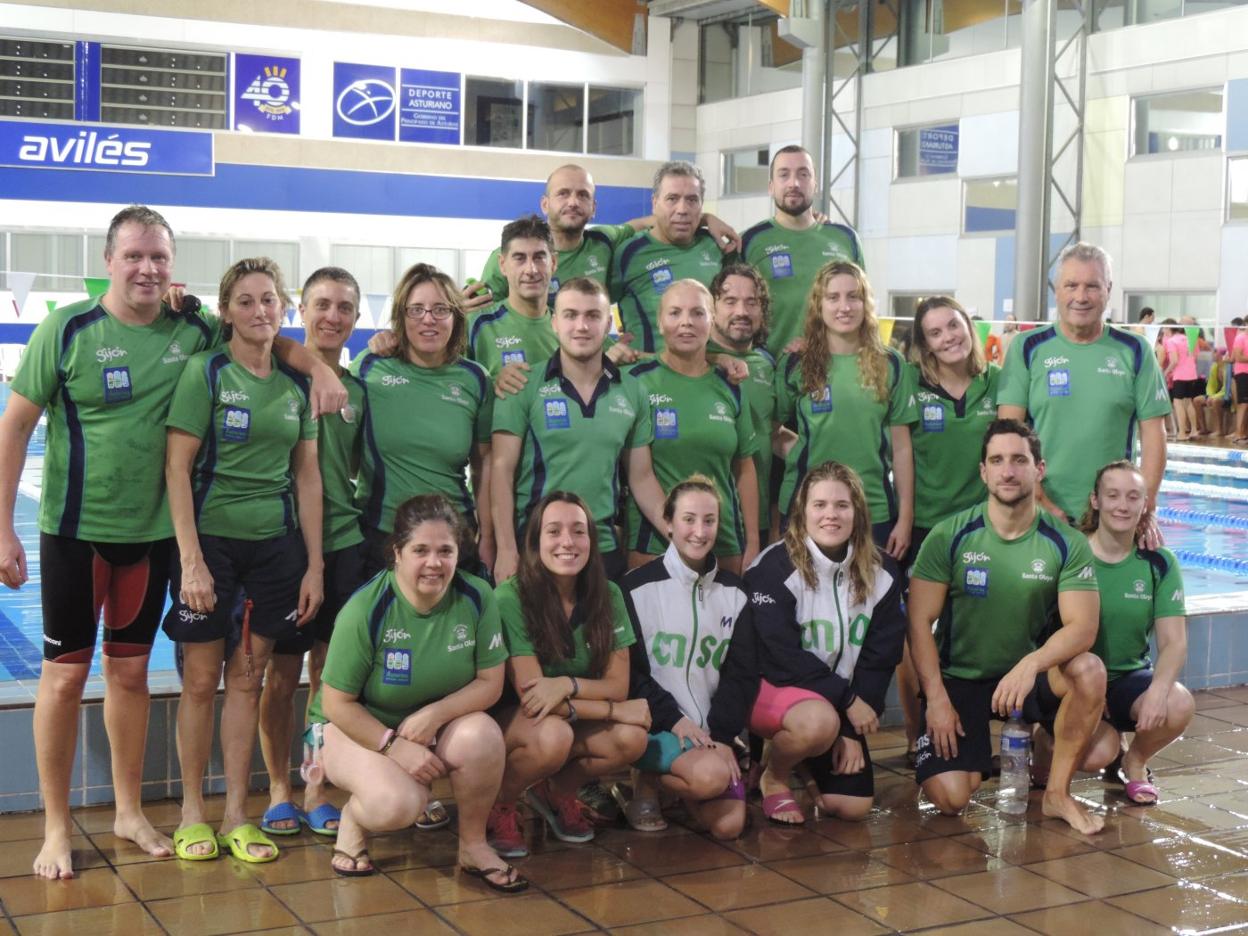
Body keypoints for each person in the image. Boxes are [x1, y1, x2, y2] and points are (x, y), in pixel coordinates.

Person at [0, 205, 344, 880]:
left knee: (129, 672)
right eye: (133, 256)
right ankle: (55, 826)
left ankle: (128, 810)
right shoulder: (67, 330)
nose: (147, 268)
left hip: (154, 536)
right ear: (108, 264)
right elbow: (14, 428)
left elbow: (266, 329)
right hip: (74, 533)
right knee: (65, 677)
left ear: (173, 265)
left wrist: (322, 370)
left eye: (158, 256)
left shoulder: (194, 327)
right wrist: (2, 527)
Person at [163, 257, 324, 863]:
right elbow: (176, 467)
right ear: (227, 311)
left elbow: (307, 480)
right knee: (203, 681)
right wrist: (192, 561)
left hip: (273, 551)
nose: (260, 311)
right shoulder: (207, 372)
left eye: (269, 301)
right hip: (211, 546)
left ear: (282, 308)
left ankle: (236, 814)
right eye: (247, 301)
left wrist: (314, 564)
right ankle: (190, 812)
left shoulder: (296, 385)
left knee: (248, 682)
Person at [307, 495, 521, 886]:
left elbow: (490, 684)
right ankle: (355, 818)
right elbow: (337, 704)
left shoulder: (476, 597)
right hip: (356, 729)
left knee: (484, 736)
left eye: (446, 551)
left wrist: (436, 714)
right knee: (399, 804)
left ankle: (473, 846)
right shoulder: (365, 610)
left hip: (431, 727)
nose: (434, 563)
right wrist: (394, 746)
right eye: (420, 550)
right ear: (397, 553)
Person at [907, 419, 1107, 835]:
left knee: (1089, 670)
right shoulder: (950, 536)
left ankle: (1056, 793)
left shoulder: (1065, 542)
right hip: (961, 678)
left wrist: (1030, 664)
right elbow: (919, 622)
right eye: (997, 461)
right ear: (983, 471)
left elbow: (1083, 629)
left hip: (1026, 680)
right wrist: (937, 698)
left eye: (1019, 460)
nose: (1008, 471)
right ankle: (983, 749)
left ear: (1039, 469)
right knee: (951, 797)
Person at [258, 267, 366, 839]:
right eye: (322, 304)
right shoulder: (270, 371)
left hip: (342, 542)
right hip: (281, 542)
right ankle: (278, 789)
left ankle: (317, 786)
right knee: (279, 675)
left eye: (345, 307)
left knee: (327, 677)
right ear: (301, 309)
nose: (332, 316)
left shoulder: (361, 390)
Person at [487, 492, 651, 857]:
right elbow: (534, 700)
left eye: (578, 531)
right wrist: (612, 711)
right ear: (535, 541)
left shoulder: (608, 594)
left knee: (633, 739)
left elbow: (617, 686)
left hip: (563, 714)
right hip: (513, 723)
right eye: (554, 531)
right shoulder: (509, 598)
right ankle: (500, 804)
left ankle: (556, 793)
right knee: (554, 735)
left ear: (592, 542)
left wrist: (566, 684)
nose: (567, 542)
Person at [743, 461, 906, 824]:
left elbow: (881, 657)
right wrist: (846, 702)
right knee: (817, 724)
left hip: (833, 706)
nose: (830, 515)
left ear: (858, 514)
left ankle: (804, 757)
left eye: (841, 506)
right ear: (802, 512)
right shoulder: (773, 568)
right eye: (819, 505)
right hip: (773, 688)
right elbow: (779, 657)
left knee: (851, 807)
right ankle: (776, 775)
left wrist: (849, 729)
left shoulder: (883, 572)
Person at [491, 277, 666, 584]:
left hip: (603, 548)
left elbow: (642, 477)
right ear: (555, 322)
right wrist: (506, 549)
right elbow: (501, 470)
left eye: (592, 316)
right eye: (571, 315)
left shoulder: (633, 391)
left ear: (608, 322)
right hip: (537, 546)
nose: (581, 326)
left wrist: (679, 532)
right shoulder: (522, 384)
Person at [1045, 460, 1193, 805]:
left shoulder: (1158, 562)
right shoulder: (1070, 553)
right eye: (1112, 496)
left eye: (1132, 497)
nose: (1122, 506)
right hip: (1073, 678)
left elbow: (1174, 642)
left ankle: (1135, 762)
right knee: (1098, 752)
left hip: (1127, 678)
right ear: (1095, 501)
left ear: (1145, 504)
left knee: (1178, 702)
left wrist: (1158, 690)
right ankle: (1044, 737)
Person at [998, 243, 1169, 538]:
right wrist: (1037, 498)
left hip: (1112, 514)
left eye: (1092, 286)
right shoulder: (1027, 348)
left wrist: (1144, 505)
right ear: (1057, 291)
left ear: (1108, 289)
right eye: (1071, 285)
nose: (1081, 296)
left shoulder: (1135, 350)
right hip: (1040, 511)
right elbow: (1007, 434)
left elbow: (1154, 433)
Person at [895, 296, 1001, 763]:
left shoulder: (996, 383)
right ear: (924, 343)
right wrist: (904, 519)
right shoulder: (912, 387)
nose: (948, 337)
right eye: (935, 332)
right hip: (925, 529)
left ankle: (982, 728)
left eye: (953, 325)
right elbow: (902, 461)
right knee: (914, 633)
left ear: (968, 325)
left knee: (979, 628)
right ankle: (917, 734)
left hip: (984, 530)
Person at [620, 476, 752, 839]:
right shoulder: (634, 589)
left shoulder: (735, 593)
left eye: (709, 521)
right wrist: (674, 719)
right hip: (661, 725)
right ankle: (646, 783)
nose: (699, 531)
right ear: (668, 523)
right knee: (710, 776)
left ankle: (680, 784)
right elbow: (629, 676)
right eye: (688, 519)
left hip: (711, 734)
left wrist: (723, 736)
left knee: (730, 827)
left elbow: (740, 675)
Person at [353, 264, 494, 575]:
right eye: (416, 309)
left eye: (440, 309)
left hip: (454, 539)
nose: (428, 319)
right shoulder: (370, 368)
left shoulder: (475, 379)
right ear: (400, 317)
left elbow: (485, 465)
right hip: (382, 537)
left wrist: (489, 537)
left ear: (456, 316)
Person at [774, 260, 917, 561]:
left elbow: (902, 448)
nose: (845, 306)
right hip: (806, 506)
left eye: (854, 296)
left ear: (866, 303)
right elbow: (770, 432)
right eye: (833, 297)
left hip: (872, 507)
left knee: (868, 605)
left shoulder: (891, 364)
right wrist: (803, 450)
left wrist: (905, 518)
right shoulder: (796, 363)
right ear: (818, 305)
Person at [468, 163, 739, 315]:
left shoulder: (604, 241)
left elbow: (652, 220)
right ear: (544, 203)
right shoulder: (511, 258)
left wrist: (704, 219)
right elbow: (479, 312)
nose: (573, 202)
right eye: (563, 194)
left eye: (583, 195)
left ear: (594, 208)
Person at [625, 280, 760, 575]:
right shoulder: (635, 381)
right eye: (675, 313)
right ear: (660, 322)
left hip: (723, 542)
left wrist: (752, 541)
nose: (686, 322)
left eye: (698, 313)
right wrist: (679, 535)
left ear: (711, 322)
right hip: (656, 543)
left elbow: (744, 468)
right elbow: (640, 475)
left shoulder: (731, 384)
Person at [738, 145, 865, 358]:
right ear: (771, 186)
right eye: (784, 175)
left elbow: (864, 308)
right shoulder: (750, 241)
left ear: (815, 184)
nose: (794, 183)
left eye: (803, 174)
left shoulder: (845, 238)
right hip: (770, 371)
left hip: (834, 370)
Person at [611, 162, 726, 354]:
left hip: (707, 375)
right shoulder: (628, 253)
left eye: (692, 200)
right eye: (672, 199)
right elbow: (588, 306)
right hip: (647, 376)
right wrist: (608, 348)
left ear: (701, 205)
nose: (682, 209)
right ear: (655, 203)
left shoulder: (715, 246)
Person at [708, 264, 778, 544]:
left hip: (755, 525)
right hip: (702, 523)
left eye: (752, 302)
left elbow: (771, 434)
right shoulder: (691, 359)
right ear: (712, 307)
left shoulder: (768, 365)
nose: (742, 312)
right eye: (730, 301)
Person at [467, 215, 562, 376]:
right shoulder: (476, 324)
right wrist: (492, 384)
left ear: (553, 262)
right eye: (520, 258)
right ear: (502, 265)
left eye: (539, 257)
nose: (531, 269)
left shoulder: (569, 327)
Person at [1159, 318, 1200, 441]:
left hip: (1180, 375)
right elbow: (1195, 356)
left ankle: (1182, 432)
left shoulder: (1171, 341)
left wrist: (1165, 373)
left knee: (1178, 403)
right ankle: (1193, 430)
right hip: (1191, 374)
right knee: (1188, 402)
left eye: (1164, 329)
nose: (1163, 332)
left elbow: (1174, 361)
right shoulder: (1187, 338)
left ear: (1168, 328)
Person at [1231, 318, 1248, 444]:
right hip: (1242, 373)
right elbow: (1238, 357)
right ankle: (1238, 433)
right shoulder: (1240, 338)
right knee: (1243, 403)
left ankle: (1244, 432)